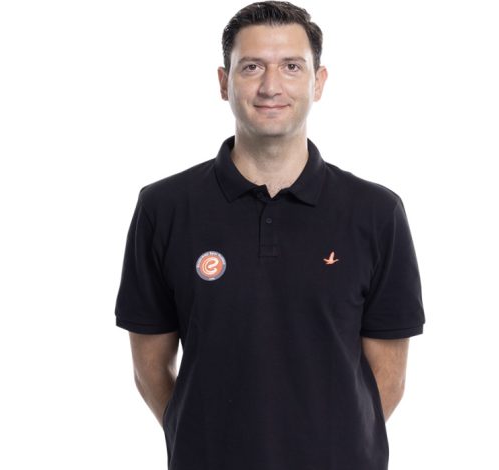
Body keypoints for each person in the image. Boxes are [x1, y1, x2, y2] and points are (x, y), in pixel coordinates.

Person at [114, 2, 425, 468]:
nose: (271, 86)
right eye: (252, 67)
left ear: (318, 82)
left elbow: (390, 377)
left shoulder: (376, 212)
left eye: (292, 67)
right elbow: (149, 368)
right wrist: (204, 439)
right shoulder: (164, 207)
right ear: (224, 82)